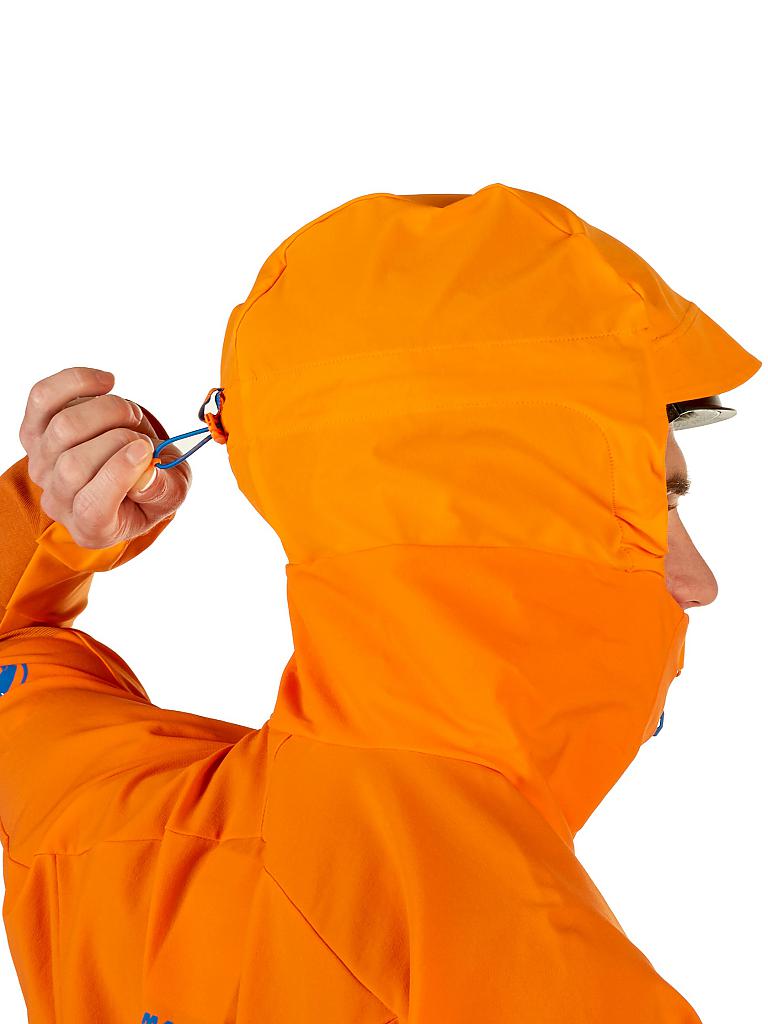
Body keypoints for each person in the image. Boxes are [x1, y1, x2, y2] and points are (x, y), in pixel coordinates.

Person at [0, 184, 762, 1022]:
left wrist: (61, 512)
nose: (700, 582)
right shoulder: (560, 981)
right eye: (651, 507)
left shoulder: (107, 822)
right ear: (506, 518)